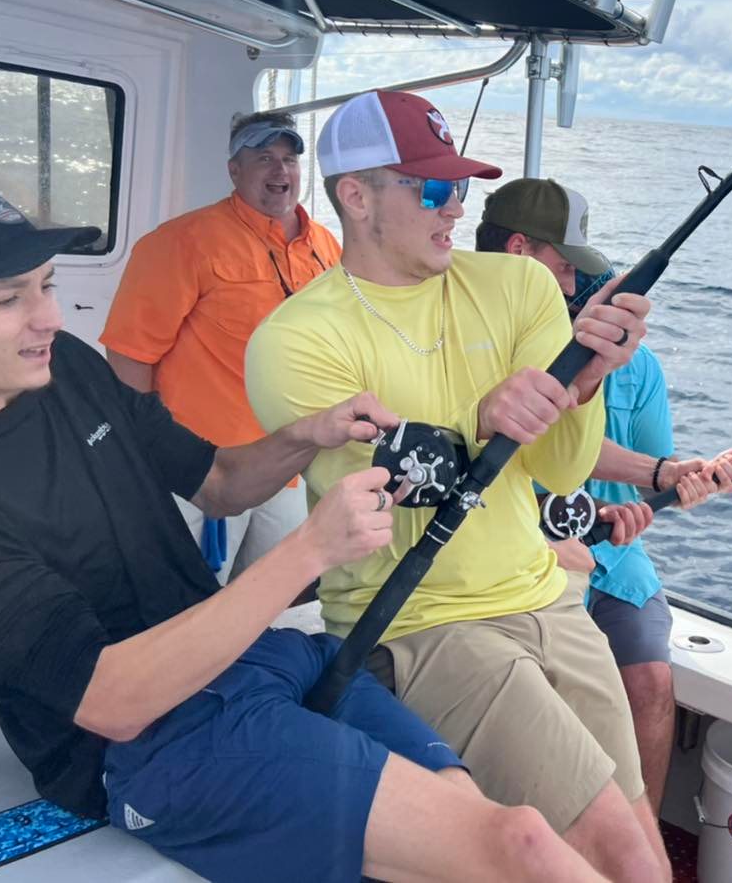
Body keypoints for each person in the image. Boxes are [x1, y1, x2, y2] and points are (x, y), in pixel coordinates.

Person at [0, 181, 602, 883]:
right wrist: (310, 550)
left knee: (482, 821)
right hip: (153, 742)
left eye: (46, 286)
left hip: (260, 659)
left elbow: (221, 483)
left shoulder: (68, 370)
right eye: (7, 299)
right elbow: (112, 702)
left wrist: (307, 436)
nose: (48, 316)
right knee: (519, 845)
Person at [246, 90, 669, 882]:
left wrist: (589, 379)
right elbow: (384, 489)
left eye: (461, 191)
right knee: (620, 856)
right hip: (421, 621)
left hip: (547, 598)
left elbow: (559, 467)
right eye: (433, 190)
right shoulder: (297, 338)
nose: (453, 210)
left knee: (641, 826)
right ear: (356, 195)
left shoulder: (521, 287)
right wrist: (483, 417)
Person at [476, 178, 732, 813]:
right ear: (519, 254)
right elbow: (540, 450)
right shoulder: (491, 351)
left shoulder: (641, 368)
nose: (577, 290)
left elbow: (654, 473)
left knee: (652, 682)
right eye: (566, 272)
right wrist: (660, 475)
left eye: (584, 279)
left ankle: (643, 840)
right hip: (526, 559)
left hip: (612, 559)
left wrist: (691, 479)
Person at [101, 110, 341, 581]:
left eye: (290, 159)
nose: (281, 171)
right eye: (264, 158)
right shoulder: (182, 242)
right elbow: (129, 354)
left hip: (293, 464)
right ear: (234, 169)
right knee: (190, 604)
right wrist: (146, 456)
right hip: (205, 469)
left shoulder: (326, 246)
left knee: (274, 599)